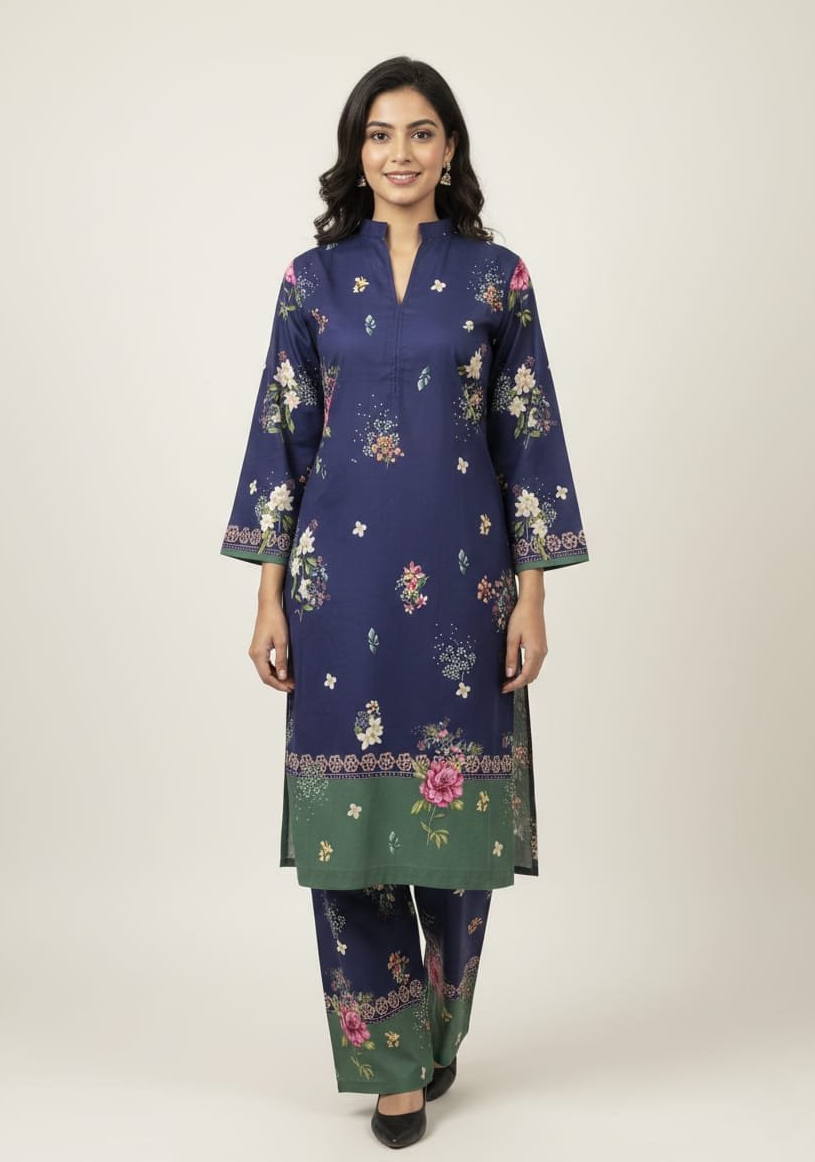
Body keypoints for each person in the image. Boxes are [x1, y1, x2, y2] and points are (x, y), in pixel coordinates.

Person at [220, 56, 590, 1149]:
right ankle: (391, 1064)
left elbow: (528, 435)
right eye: (379, 134)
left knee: (459, 843)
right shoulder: (311, 282)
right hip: (336, 595)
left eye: (421, 132)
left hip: (466, 593)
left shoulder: (498, 279)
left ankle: (438, 1020)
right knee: (350, 845)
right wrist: (268, 598)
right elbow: (280, 439)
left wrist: (532, 597)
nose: (400, 153)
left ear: (449, 148)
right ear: (357, 150)